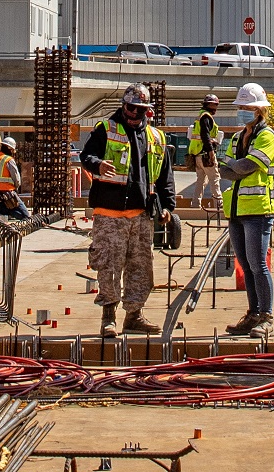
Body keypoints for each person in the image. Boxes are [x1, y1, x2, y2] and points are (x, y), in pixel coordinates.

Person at [78, 84, 175, 337]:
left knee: (141, 268)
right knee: (108, 267)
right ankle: (108, 317)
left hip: (141, 215)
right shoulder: (106, 130)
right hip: (110, 214)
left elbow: (165, 178)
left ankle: (134, 316)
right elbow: (86, 155)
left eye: (139, 110)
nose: (134, 113)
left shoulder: (156, 138)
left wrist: (167, 207)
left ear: (147, 111)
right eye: (130, 108)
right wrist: (97, 165)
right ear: (123, 106)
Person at [220, 81, 274, 337]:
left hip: (258, 209)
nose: (242, 110)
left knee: (258, 264)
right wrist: (234, 165)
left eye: (247, 106)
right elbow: (227, 171)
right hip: (236, 210)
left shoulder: (267, 136)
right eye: (240, 106)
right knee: (244, 263)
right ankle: (253, 313)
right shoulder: (236, 138)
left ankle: (266, 316)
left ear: (258, 110)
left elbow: (245, 168)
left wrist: (234, 165)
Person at [0, 135, 29, 221]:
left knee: (8, 208)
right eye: (13, 150)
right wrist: (16, 189)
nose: (13, 152)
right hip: (8, 192)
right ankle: (1, 210)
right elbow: (16, 179)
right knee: (25, 215)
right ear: (9, 148)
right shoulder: (8, 160)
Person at [192, 94, 223, 206]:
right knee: (215, 179)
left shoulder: (200, 116)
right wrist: (211, 152)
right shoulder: (206, 117)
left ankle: (195, 205)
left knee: (200, 181)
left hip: (198, 154)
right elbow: (205, 135)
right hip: (206, 154)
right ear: (208, 105)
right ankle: (218, 206)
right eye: (214, 105)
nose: (215, 108)